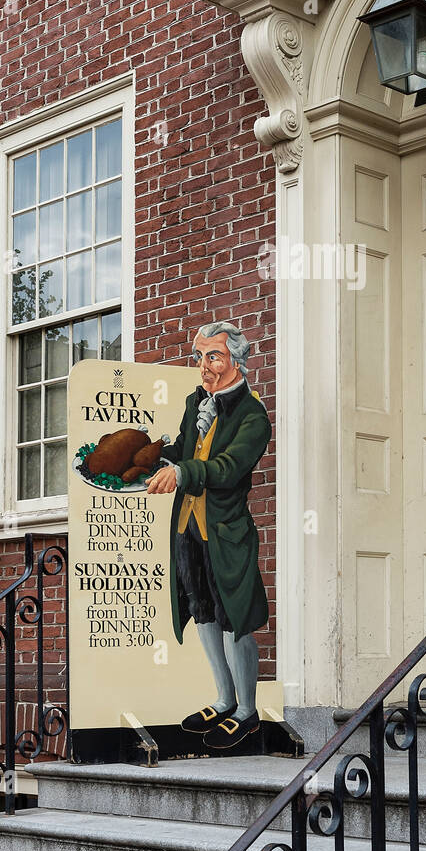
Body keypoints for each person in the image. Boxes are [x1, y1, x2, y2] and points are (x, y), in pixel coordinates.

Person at [147, 320, 271, 750]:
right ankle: (223, 698)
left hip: (225, 532)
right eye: (199, 356)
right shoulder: (194, 402)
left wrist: (183, 471)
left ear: (235, 359)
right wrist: (151, 453)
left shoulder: (252, 414)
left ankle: (247, 711)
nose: (203, 365)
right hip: (187, 527)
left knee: (235, 617)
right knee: (203, 612)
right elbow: (185, 447)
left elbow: (228, 469)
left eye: (213, 356)